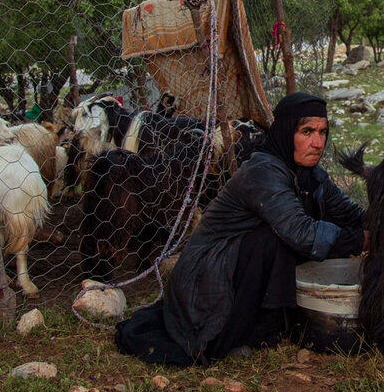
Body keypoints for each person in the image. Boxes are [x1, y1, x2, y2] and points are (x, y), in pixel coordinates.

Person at [114, 92, 366, 365]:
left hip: (235, 271)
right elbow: (301, 233)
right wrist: (363, 240)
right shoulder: (263, 171)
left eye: (322, 132)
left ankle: (265, 325)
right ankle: (234, 332)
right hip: (208, 278)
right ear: (285, 132)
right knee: (270, 239)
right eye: (306, 131)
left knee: (283, 239)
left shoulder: (314, 177)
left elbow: (351, 215)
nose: (317, 143)